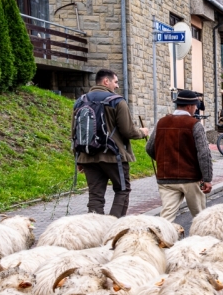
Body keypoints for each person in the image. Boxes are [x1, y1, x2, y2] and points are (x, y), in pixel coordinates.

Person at [75, 68, 148, 217]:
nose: (117, 86)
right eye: (115, 82)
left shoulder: (80, 101)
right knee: (122, 190)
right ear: (106, 81)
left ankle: (95, 231)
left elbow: (74, 133)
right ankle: (114, 228)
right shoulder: (117, 101)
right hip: (113, 156)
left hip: (87, 156)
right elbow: (128, 131)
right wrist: (142, 132)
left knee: (95, 195)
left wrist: (78, 159)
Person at [145, 89, 213, 222]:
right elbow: (203, 153)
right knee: (200, 217)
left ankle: (161, 239)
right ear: (189, 106)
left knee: (166, 218)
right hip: (190, 178)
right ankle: (202, 240)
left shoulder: (161, 122)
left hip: (166, 177)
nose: (196, 109)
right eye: (195, 106)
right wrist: (207, 178)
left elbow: (149, 148)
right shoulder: (194, 124)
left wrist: (164, 161)